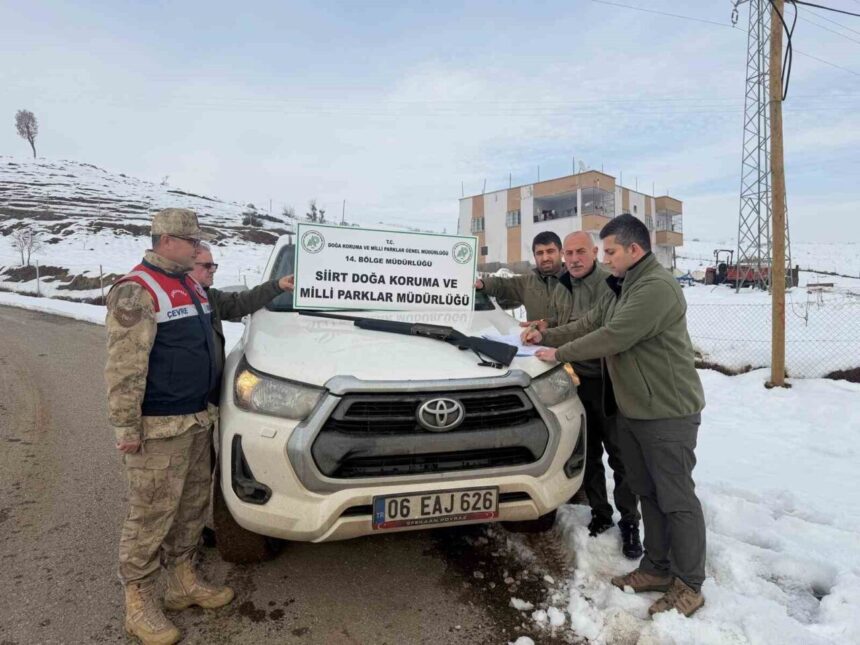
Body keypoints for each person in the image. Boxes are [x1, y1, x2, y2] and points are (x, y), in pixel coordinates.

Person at [522, 214, 707, 618]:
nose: (603, 259)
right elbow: (592, 322)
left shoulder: (656, 287)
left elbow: (615, 334)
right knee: (648, 491)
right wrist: (547, 336)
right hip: (636, 408)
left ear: (634, 250)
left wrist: (559, 353)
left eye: (609, 251)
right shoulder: (624, 285)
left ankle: (689, 583)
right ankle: (656, 568)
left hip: (667, 410)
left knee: (676, 498)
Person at [105, 208, 233, 645]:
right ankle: (138, 602)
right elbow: (124, 367)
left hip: (197, 420)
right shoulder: (137, 290)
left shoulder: (189, 286)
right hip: (159, 427)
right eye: (191, 241)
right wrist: (126, 427)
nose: (198, 249)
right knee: (151, 514)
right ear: (165, 241)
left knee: (192, 507)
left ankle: (182, 582)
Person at [189, 243, 293, 549]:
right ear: (186, 266)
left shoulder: (207, 298)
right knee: (172, 481)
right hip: (176, 407)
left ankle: (190, 534)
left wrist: (277, 285)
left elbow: (241, 301)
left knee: (199, 473)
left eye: (213, 266)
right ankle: (170, 551)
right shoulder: (167, 301)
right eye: (206, 266)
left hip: (203, 404)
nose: (211, 272)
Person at [544, 231, 641, 557]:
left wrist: (558, 348)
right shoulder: (561, 285)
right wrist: (543, 333)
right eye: (568, 253)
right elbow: (565, 326)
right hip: (573, 383)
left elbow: (601, 333)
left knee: (620, 456)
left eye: (580, 251)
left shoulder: (609, 283)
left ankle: (630, 522)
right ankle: (601, 512)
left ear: (595, 252)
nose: (573, 258)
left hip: (608, 384)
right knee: (588, 454)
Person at [476, 231, 565, 321]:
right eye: (540, 253)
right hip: (533, 335)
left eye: (550, 251)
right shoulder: (527, 284)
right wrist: (482, 284)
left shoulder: (575, 281)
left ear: (561, 253)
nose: (545, 258)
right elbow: (502, 284)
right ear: (534, 256)